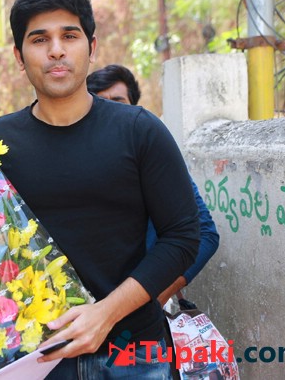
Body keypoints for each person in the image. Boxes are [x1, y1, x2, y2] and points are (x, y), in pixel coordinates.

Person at [0, 0, 199, 379]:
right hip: (36, 357)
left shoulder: (139, 130)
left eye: (69, 35)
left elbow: (183, 236)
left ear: (92, 47)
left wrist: (105, 313)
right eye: (40, 39)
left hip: (133, 353)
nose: (56, 50)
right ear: (19, 55)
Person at [87, 64, 220, 305]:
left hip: (141, 309)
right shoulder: (72, 160)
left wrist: (157, 296)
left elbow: (205, 234)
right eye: (100, 102)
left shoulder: (152, 158)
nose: (109, 110)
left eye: (118, 102)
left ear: (134, 107)